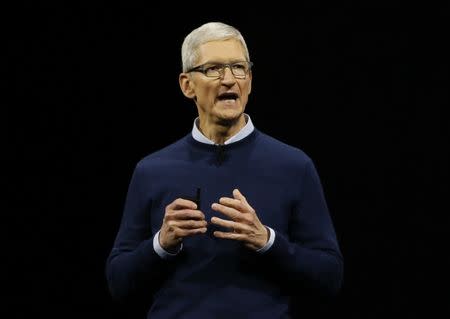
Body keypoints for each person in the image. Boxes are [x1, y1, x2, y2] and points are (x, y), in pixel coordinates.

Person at [105, 21, 343, 319]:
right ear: (187, 85)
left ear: (250, 80)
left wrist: (267, 240)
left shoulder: (294, 166)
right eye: (213, 69)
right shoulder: (152, 170)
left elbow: (330, 277)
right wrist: (161, 244)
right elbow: (118, 283)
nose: (229, 79)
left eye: (238, 68)